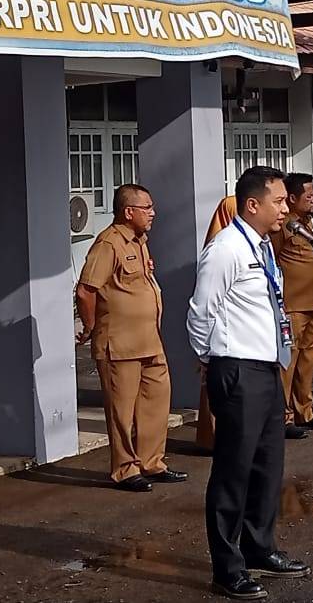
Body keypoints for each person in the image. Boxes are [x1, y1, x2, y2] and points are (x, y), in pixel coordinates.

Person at [188, 167, 311, 600]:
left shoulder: (261, 245)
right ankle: (227, 567)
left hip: (266, 368)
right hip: (237, 369)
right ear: (252, 204)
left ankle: (260, 547)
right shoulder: (225, 249)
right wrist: (210, 359)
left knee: (267, 466)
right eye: (278, 201)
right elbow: (201, 311)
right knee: (233, 472)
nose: (285, 208)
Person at [76, 184, 188, 492]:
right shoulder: (108, 243)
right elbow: (86, 290)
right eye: (147, 208)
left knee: (156, 402)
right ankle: (125, 469)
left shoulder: (140, 241)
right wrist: (89, 326)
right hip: (119, 344)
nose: (153, 213)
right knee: (121, 412)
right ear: (129, 212)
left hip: (149, 340)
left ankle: (152, 462)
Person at [270, 173, 313, 439]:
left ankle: (304, 411)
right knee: (289, 362)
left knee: (308, 361)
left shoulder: (306, 224)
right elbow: (272, 258)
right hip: (293, 304)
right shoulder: (285, 226)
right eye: (308, 196)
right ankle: (283, 417)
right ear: (292, 198)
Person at [195, 195, 238, 452]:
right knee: (214, 384)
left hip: (237, 328)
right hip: (219, 327)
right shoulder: (219, 251)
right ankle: (211, 438)